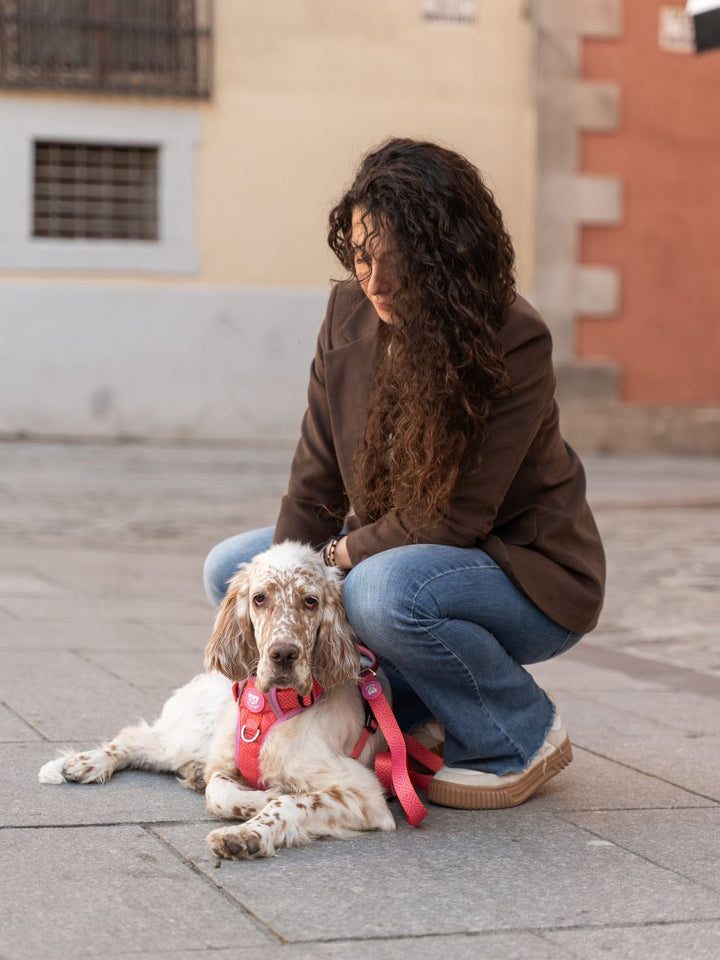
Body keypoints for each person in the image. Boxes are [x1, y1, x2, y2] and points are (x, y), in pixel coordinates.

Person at [204, 138, 605, 810]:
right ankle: (397, 711)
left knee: (380, 593)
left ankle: (517, 732)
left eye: (400, 262)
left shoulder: (512, 335)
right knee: (235, 572)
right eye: (363, 258)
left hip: (523, 573)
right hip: (400, 549)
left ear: (451, 256)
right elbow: (315, 478)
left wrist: (336, 558)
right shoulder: (346, 314)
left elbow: (454, 519)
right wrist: (290, 567)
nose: (376, 282)